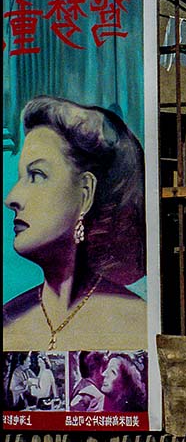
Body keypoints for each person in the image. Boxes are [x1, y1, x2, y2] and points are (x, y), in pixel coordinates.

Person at [3, 96, 147, 352]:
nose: (11, 198)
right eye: (21, 177)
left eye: (36, 175)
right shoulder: (8, 319)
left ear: (85, 193)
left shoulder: (138, 324)